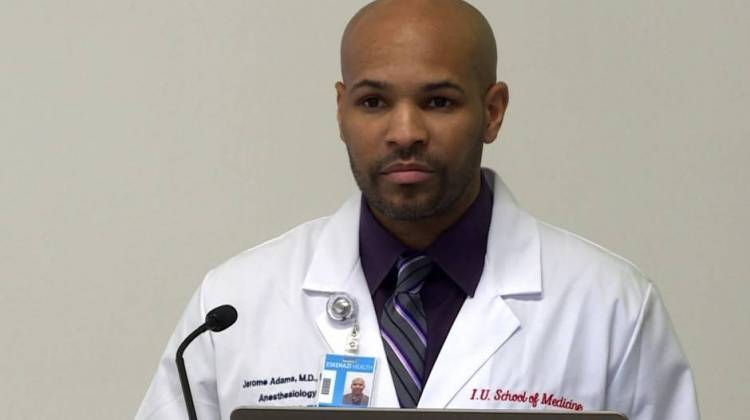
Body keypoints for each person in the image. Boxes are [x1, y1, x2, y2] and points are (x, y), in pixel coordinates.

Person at [135, 1, 700, 419]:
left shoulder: (610, 306)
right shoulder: (235, 304)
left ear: (493, 111)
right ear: (341, 110)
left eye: (438, 101)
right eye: (374, 102)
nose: (405, 133)